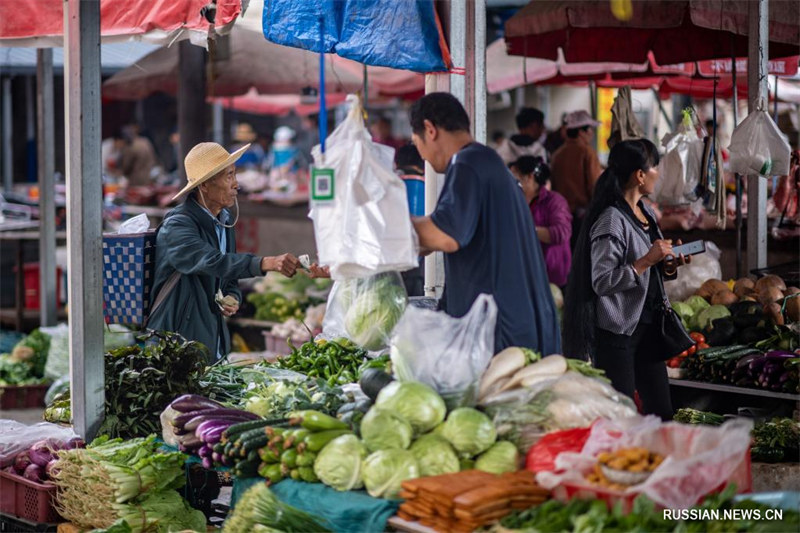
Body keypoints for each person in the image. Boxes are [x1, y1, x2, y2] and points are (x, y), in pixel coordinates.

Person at [409, 92, 560, 355]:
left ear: (429, 130)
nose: (422, 154)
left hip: (501, 333)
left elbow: (445, 235)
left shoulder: (468, 164)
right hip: (514, 327)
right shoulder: (484, 161)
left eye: (416, 143)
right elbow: (436, 235)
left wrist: (383, 225)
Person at [562, 139, 691, 419]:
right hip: (618, 331)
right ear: (640, 175)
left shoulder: (645, 213)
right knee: (621, 415)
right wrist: (646, 260)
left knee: (661, 411)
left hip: (648, 327)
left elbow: (651, 273)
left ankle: (656, 461)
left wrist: (669, 263)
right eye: (655, 166)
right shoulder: (611, 220)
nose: (659, 173)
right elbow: (602, 281)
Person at [148, 142, 301, 361]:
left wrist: (233, 296)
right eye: (228, 176)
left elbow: (229, 278)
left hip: (211, 341)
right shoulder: (178, 226)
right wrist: (264, 263)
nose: (236, 184)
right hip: (175, 345)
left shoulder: (224, 220)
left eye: (234, 175)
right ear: (205, 186)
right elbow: (212, 261)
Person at [509, 156, 572, 288]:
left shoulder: (554, 201)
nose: (512, 182)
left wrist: (528, 230)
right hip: (523, 275)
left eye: (516, 177)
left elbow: (561, 233)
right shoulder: (514, 200)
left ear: (530, 177)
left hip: (551, 275)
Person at [549, 110, 603, 248]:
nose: (592, 133)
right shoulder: (587, 152)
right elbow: (594, 186)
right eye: (590, 129)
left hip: (560, 215)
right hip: (583, 216)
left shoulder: (557, 154)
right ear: (581, 131)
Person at [395, 144, 426, 297]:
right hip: (422, 260)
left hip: (392, 262)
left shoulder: (391, 183)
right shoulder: (431, 184)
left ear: (397, 163)